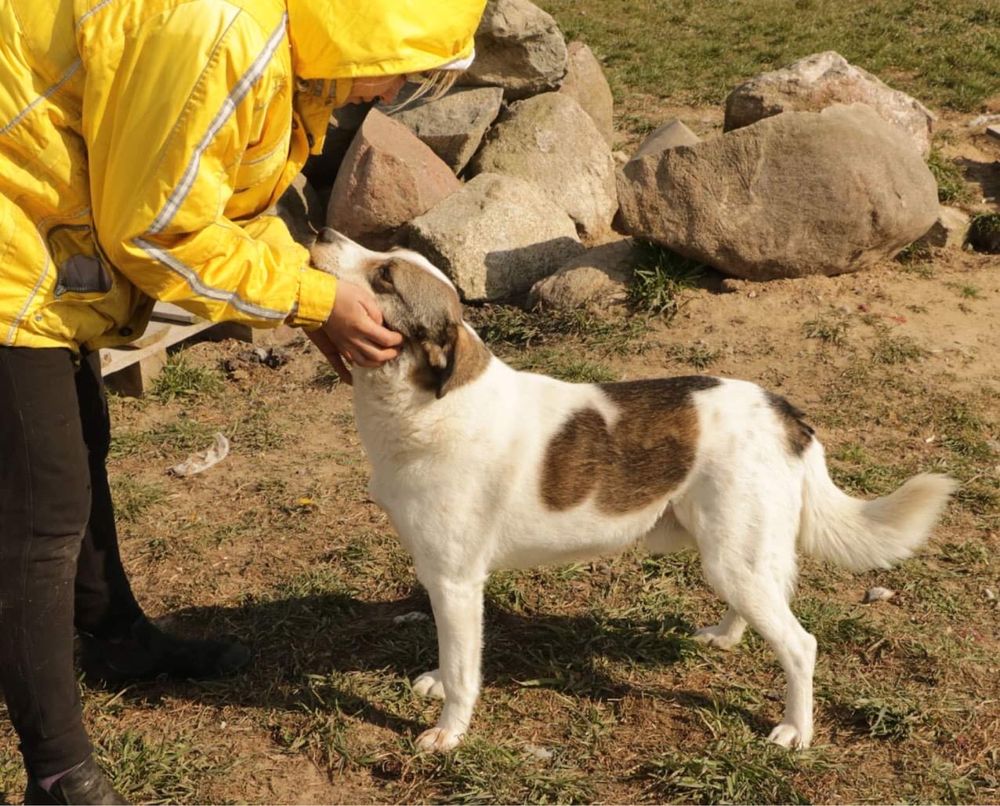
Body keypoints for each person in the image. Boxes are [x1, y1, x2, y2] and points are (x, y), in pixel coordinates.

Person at [0, 0, 486, 802]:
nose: (389, 93)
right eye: (404, 69)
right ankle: (58, 772)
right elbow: (155, 228)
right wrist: (310, 299)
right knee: (39, 513)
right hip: (17, 228)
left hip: (41, 223)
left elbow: (226, 205)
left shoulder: (291, 55)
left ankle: (114, 640)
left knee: (79, 444)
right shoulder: (218, 33)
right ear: (373, 28)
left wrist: (307, 292)